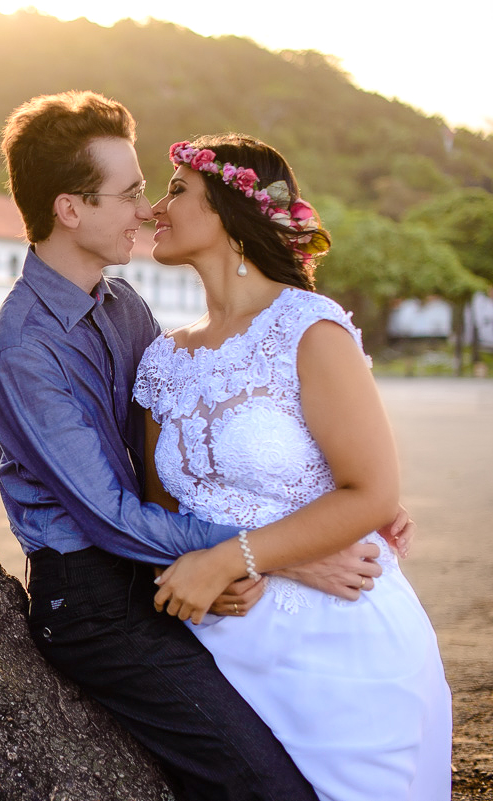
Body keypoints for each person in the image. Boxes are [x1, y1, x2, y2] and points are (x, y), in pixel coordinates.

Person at [0, 91, 377, 800]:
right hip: (94, 601)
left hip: (165, 566)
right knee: (265, 784)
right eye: (129, 194)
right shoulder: (20, 350)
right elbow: (107, 515)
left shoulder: (125, 307)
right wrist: (284, 551)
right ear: (71, 209)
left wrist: (342, 503)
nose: (147, 209)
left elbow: (188, 446)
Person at [141, 134, 452, 799]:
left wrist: (231, 558)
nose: (153, 208)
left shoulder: (309, 329)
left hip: (342, 649)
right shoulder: (161, 362)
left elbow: (372, 492)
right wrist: (265, 558)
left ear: (229, 207)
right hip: (214, 651)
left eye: (176, 190)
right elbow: (157, 519)